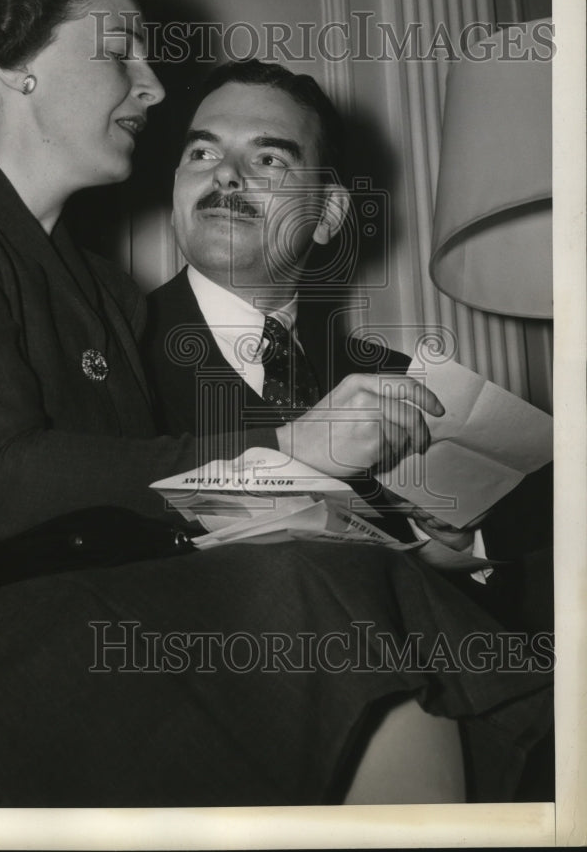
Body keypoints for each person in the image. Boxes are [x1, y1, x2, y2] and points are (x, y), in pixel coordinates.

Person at [0, 0, 552, 809]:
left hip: (76, 608)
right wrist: (292, 447)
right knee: (338, 598)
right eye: (122, 52)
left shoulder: (105, 293)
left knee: (371, 591)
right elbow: (2, 476)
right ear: (14, 60)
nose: (150, 84)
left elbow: (160, 511)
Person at [144, 60, 554, 636]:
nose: (227, 176)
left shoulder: (404, 385)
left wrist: (459, 540)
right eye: (202, 153)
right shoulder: (107, 349)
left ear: (329, 214)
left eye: (269, 159)